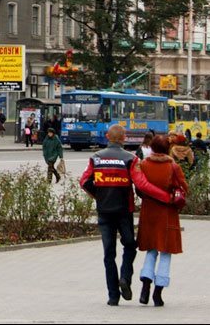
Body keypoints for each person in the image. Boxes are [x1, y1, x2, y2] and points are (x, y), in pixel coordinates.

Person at [79, 124, 174, 306]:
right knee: (130, 245)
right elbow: (142, 184)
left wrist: (99, 196)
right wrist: (165, 197)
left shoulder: (96, 158)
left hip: (104, 211)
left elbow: (84, 181)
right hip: (124, 210)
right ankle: (125, 278)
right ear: (124, 138)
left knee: (108, 254)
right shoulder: (130, 159)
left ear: (107, 136)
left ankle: (113, 296)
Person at [133, 135, 188, 307]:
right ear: (167, 148)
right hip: (168, 212)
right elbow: (184, 188)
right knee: (165, 251)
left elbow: (140, 189)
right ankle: (158, 292)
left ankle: (145, 285)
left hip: (149, 212)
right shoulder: (173, 166)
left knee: (151, 249)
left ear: (152, 148)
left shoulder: (144, 165)